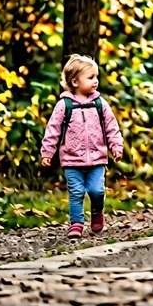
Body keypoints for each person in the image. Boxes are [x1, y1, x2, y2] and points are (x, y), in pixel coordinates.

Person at [41, 55, 124, 239]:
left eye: (96, 77)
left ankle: (96, 212)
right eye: (90, 77)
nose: (95, 81)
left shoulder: (100, 104)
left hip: (97, 158)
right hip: (72, 159)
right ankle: (76, 223)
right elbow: (53, 130)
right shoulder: (64, 105)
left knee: (97, 190)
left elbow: (112, 127)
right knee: (76, 192)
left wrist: (116, 147)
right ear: (74, 81)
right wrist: (47, 152)